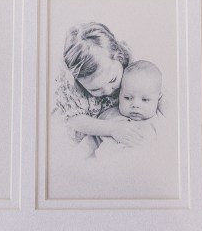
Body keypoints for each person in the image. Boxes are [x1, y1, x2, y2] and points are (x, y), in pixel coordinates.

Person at [51, 21, 148, 156]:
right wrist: (111, 129)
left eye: (113, 80)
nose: (108, 91)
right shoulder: (71, 85)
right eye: (95, 90)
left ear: (119, 57)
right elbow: (75, 120)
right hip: (91, 127)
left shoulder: (127, 60)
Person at [95, 60, 165, 157]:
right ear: (119, 94)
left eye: (145, 100)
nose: (135, 105)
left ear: (158, 98)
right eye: (127, 98)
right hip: (108, 165)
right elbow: (90, 142)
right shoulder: (108, 116)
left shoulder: (158, 122)